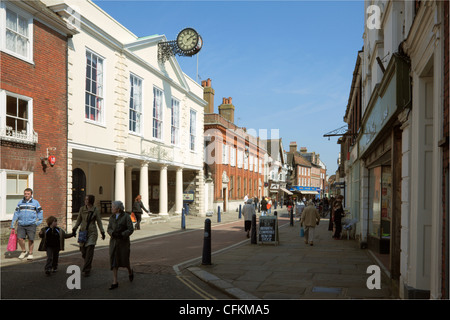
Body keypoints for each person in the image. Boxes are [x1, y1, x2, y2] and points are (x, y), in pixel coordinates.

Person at [72, 195, 105, 277]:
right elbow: (79, 220)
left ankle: (87, 269)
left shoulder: (95, 210)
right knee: (83, 251)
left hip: (92, 232)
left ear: (90, 200)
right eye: (85, 199)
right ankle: (88, 264)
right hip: (83, 232)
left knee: (90, 249)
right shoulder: (82, 209)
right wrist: (75, 228)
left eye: (87, 199)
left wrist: (102, 232)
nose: (85, 200)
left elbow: (99, 222)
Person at [10, 188, 43, 261]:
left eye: (28, 194)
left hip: (31, 224)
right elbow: (16, 213)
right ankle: (23, 251)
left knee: (31, 239)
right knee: (20, 239)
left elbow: (40, 212)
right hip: (21, 224)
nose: (26, 195)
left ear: (31, 194)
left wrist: (38, 222)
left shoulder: (35, 203)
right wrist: (13, 224)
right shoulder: (20, 202)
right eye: (25, 194)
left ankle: (30, 253)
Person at [107, 200, 134, 290]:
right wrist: (112, 233)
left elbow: (130, 229)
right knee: (114, 261)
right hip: (114, 242)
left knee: (125, 260)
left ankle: (130, 271)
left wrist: (122, 234)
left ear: (118, 209)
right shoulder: (112, 217)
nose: (111, 208)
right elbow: (109, 228)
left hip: (123, 243)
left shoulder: (126, 216)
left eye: (113, 207)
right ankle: (115, 281)